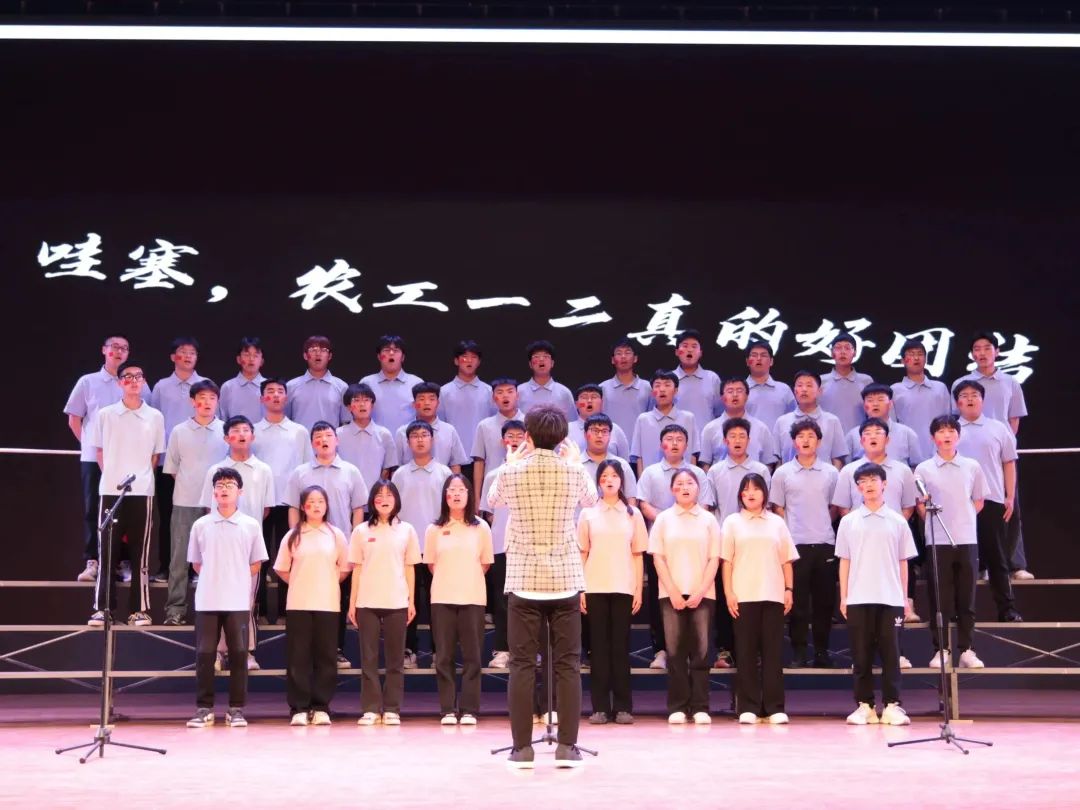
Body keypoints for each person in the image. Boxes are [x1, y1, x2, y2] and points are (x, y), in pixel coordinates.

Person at [488, 405, 597, 769]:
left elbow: (492, 501)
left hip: (524, 579)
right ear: (563, 437)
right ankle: (567, 746)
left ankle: (522, 749)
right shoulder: (573, 470)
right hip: (565, 579)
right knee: (567, 665)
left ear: (529, 435)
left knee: (521, 665)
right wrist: (577, 463)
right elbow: (592, 501)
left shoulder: (512, 470)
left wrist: (510, 460)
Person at [186, 468, 268, 728]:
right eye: (219, 485)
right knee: (205, 654)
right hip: (207, 600)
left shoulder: (250, 525)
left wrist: (236, 577)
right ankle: (204, 708)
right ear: (213, 492)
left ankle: (236, 708)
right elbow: (196, 563)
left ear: (240, 491)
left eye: (230, 485)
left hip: (237, 601)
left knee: (239, 654)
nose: (224, 489)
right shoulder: (201, 525)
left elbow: (256, 562)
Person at [86, 359, 165, 627]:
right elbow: (99, 451)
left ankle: (139, 609)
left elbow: (155, 456)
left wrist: (141, 478)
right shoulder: (106, 414)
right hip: (111, 490)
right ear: (120, 383)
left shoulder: (155, 416)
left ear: (144, 382)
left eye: (138, 377)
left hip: (142, 491)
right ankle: (103, 608)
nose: (133, 381)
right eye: (128, 377)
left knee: (140, 553)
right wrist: (112, 476)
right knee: (107, 551)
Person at [837, 463, 917, 726]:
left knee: (891, 655)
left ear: (884, 484)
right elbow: (845, 561)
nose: (868, 485)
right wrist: (844, 597)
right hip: (858, 598)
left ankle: (892, 705)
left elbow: (903, 562)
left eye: (873, 479)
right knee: (861, 656)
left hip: (890, 598)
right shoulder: (849, 522)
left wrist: (904, 598)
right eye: (862, 481)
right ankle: (865, 706)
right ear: (857, 487)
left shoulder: (898, 521)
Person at [284, 421, 369, 668]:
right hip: (307, 548)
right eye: (318, 437)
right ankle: (308, 652)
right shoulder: (300, 473)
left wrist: (353, 539)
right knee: (306, 602)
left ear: (337, 440)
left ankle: (336, 649)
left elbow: (358, 508)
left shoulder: (350, 471)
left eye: (328, 435)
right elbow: (293, 507)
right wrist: (294, 537)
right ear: (312, 443)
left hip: (339, 547)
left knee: (337, 601)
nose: (324, 440)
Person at [65, 334, 150, 582]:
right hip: (95, 458)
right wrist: (91, 445)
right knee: (94, 508)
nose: (119, 351)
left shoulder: (136, 382)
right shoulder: (88, 382)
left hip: (128, 460)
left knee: (125, 511)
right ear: (104, 350)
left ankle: (122, 562)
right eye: (115, 347)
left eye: (124, 348)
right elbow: (74, 419)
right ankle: (93, 561)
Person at [952, 331, 1032, 580]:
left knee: (1009, 508)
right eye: (977, 349)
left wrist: (1001, 445)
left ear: (996, 351)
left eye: (987, 348)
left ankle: (1015, 564)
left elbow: (1014, 420)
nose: (982, 353)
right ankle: (981, 565)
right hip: (968, 455)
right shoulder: (962, 384)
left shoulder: (1010, 382)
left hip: (998, 452)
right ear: (971, 354)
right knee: (972, 512)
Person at [720, 473, 797, 725]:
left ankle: (774, 707)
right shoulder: (732, 522)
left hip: (773, 595)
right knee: (746, 653)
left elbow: (786, 560)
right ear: (740, 495)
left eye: (756, 489)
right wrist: (729, 593)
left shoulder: (776, 522)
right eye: (745, 489)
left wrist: (788, 589)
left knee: (773, 653)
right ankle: (748, 706)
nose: (750, 493)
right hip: (743, 595)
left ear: (765, 493)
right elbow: (726, 562)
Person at [199, 416, 276, 666]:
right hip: (218, 545)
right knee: (217, 600)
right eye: (235, 430)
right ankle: (218, 652)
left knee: (247, 602)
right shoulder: (215, 471)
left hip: (248, 545)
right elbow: (208, 509)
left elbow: (266, 509)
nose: (241, 434)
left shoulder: (263, 470)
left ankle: (246, 652)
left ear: (253, 436)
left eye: (246, 430)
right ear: (226, 438)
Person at [636, 424, 713, 672]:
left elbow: (705, 505)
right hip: (662, 544)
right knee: (660, 599)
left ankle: (691, 651)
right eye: (669, 439)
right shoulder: (651, 472)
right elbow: (643, 505)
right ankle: (661, 650)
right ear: (662, 445)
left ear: (687, 445)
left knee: (696, 601)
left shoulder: (697, 474)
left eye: (680, 439)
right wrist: (669, 519)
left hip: (695, 546)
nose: (675, 443)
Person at [915, 415, 988, 669]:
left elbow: (978, 501)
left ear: (958, 435)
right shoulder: (923, 469)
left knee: (967, 597)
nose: (946, 435)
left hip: (966, 539)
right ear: (932, 437)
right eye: (941, 431)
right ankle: (941, 649)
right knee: (940, 599)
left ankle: (967, 649)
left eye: (951, 431)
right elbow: (921, 505)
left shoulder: (972, 466)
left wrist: (962, 519)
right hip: (937, 541)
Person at [648, 469, 721, 725]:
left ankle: (700, 706)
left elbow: (714, 558)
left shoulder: (709, 520)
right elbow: (658, 558)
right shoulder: (664, 519)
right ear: (672, 490)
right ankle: (677, 706)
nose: (685, 487)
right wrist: (673, 591)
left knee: (701, 651)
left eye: (690, 483)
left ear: (698, 488)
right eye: (679, 483)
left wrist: (700, 591)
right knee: (675, 652)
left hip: (704, 592)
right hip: (671, 593)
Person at [274, 485, 350, 726]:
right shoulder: (293, 536)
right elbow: (281, 568)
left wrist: (326, 581)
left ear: (327, 506)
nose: (316, 506)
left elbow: (344, 568)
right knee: (298, 656)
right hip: (299, 603)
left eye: (321, 501)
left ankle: (321, 706)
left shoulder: (336, 535)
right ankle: (299, 707)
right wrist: (301, 580)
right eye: (311, 501)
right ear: (303, 506)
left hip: (328, 604)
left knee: (326, 656)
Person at [347, 480, 421, 726]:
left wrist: (411, 601)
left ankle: (391, 708)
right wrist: (352, 603)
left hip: (397, 601)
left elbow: (410, 567)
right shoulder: (361, 531)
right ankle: (370, 708)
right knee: (368, 659)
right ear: (372, 501)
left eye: (389, 495)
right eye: (379, 495)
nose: (385, 499)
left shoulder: (407, 530)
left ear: (397, 500)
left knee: (395, 660)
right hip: (367, 601)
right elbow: (357, 569)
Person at [579, 460, 647, 725]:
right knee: (598, 648)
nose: (609, 480)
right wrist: (581, 590)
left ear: (621, 481)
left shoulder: (633, 514)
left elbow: (638, 554)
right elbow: (582, 553)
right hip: (594, 587)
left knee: (620, 647)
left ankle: (623, 707)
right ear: (598, 482)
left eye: (614, 476)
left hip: (623, 587)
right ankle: (599, 707)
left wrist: (638, 589)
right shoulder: (588, 513)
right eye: (604, 476)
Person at [424, 474, 494, 725]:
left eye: (461, 489)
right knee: (444, 656)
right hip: (442, 598)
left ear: (469, 495)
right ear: (445, 496)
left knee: (472, 657)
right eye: (451, 489)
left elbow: (485, 563)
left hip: (473, 597)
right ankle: (447, 709)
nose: (456, 494)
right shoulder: (434, 529)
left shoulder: (481, 527)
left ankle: (469, 709)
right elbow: (431, 564)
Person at [770, 419, 840, 668]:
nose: (806, 440)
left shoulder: (831, 472)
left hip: (824, 542)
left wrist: (821, 523)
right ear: (794, 442)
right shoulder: (782, 473)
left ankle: (822, 652)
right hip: (795, 545)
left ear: (818, 441)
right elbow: (778, 507)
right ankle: (799, 653)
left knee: (824, 602)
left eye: (811, 436)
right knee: (797, 603)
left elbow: (835, 506)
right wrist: (790, 532)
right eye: (801, 436)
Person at [705, 417, 771, 668]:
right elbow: (710, 508)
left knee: (754, 598)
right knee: (725, 598)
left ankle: (754, 651)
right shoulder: (715, 471)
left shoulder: (761, 470)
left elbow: (768, 507)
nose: (737, 440)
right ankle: (725, 651)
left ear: (749, 440)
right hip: (725, 543)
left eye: (742, 436)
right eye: (732, 436)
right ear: (725, 441)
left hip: (755, 544)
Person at [954, 381, 1023, 622]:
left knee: (997, 557)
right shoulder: (950, 430)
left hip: (992, 499)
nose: (970, 399)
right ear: (957, 403)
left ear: (983, 400)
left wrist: (1010, 496)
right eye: (964, 395)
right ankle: (959, 612)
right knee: (960, 561)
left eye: (974, 395)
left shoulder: (998, 428)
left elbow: (1009, 462)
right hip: (959, 504)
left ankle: (1007, 609)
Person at [163, 380, 226, 627]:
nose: (207, 402)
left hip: (218, 505)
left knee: (216, 560)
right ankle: (175, 610)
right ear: (193, 401)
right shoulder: (179, 431)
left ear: (217, 401)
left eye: (212, 398)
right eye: (202, 397)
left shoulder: (225, 430)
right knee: (179, 560)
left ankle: (214, 611)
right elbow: (172, 469)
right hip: (185, 502)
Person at [392, 421, 454, 667]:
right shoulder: (399, 474)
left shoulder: (444, 473)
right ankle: (409, 649)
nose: (420, 439)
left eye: (424, 435)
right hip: (407, 548)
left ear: (432, 439)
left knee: (438, 601)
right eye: (415, 436)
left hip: (438, 548)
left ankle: (441, 651)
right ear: (408, 442)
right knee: (407, 600)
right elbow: (393, 511)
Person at [252, 378, 313, 621]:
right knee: (260, 557)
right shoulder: (252, 431)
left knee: (291, 556)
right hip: (261, 503)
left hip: (291, 504)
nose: (276, 395)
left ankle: (288, 610)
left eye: (280, 392)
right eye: (270, 392)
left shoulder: (299, 431)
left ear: (286, 398)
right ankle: (258, 610)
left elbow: (307, 468)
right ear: (262, 399)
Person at [150, 337, 207, 582]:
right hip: (167, 463)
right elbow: (152, 420)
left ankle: (197, 569)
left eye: (192, 352)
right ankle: (166, 567)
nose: (188, 356)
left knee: (201, 519)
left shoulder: (206, 386)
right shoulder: (161, 387)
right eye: (183, 352)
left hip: (200, 466)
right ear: (173, 356)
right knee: (168, 517)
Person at [479, 420, 527, 668]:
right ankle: (502, 650)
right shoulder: (493, 475)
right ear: (502, 441)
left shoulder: (533, 472)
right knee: (501, 599)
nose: (515, 440)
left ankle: (529, 650)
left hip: (528, 547)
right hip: (500, 545)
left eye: (520, 435)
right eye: (510, 435)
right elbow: (488, 513)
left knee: (529, 601)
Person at [438, 340, 495, 483]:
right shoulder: (444, 392)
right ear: (456, 361)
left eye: (473, 357)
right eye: (464, 357)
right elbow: (440, 427)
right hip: (453, 460)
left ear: (479, 362)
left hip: (483, 459)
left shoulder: (489, 392)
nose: (469, 360)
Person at [890, 338, 952, 469]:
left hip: (940, 454)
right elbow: (893, 427)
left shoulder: (940, 388)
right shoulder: (895, 390)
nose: (916, 358)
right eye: (911, 354)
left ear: (926, 359)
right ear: (902, 361)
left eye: (920, 354)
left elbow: (949, 422)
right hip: (908, 458)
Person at [699, 377, 778, 472]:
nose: (735, 395)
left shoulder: (761, 428)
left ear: (747, 396)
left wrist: (759, 479)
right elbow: (705, 463)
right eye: (730, 391)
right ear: (722, 398)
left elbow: (768, 462)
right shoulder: (710, 429)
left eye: (739, 391)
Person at [773, 371, 847, 469]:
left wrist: (833, 476)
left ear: (819, 391)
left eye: (809, 385)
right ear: (794, 391)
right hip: (790, 477)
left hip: (824, 477)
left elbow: (837, 458)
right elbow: (778, 460)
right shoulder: (782, 422)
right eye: (800, 385)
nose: (804, 389)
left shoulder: (832, 421)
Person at [630, 370, 699, 476]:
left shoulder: (688, 418)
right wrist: (642, 482)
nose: (662, 389)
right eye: (657, 386)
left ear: (676, 390)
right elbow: (639, 458)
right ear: (652, 392)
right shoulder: (643, 420)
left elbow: (693, 454)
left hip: (683, 481)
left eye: (667, 385)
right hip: (652, 480)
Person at [337, 383, 398, 493]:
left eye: (366, 400)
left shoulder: (384, 434)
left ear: (372, 405)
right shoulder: (338, 435)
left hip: (375, 496)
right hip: (344, 494)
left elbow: (387, 469)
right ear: (349, 407)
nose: (362, 404)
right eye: (356, 400)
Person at [394, 382, 469, 471]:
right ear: (414, 404)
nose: (427, 403)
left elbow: (455, 464)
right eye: (422, 399)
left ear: (438, 403)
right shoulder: (402, 432)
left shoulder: (449, 431)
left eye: (431, 399)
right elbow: (396, 466)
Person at [359, 335, 425, 436]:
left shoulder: (416, 383)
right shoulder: (367, 383)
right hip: (375, 442)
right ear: (379, 357)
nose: (391, 353)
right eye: (386, 350)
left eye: (396, 350)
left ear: (403, 357)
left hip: (408, 442)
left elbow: (424, 417)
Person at [844, 383, 922, 467]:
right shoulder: (853, 435)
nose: (875, 404)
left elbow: (916, 467)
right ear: (864, 406)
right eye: (870, 400)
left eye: (880, 399)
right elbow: (846, 467)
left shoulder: (907, 433)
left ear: (890, 404)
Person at [470, 377, 525, 496]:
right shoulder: (484, 426)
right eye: (500, 392)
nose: (505, 396)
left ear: (517, 395)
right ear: (493, 398)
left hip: (523, 488)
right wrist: (477, 496)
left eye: (510, 391)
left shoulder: (530, 423)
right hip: (492, 489)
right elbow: (479, 462)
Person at [286, 335, 349, 431]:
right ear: (305, 355)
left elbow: (346, 422)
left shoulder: (342, 387)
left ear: (330, 356)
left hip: (330, 440)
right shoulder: (291, 386)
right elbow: (285, 420)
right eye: (313, 350)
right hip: (300, 440)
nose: (318, 353)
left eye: (323, 350)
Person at [671, 329, 722, 443]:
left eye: (694, 346)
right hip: (675, 444)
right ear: (677, 352)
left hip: (706, 442)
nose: (689, 350)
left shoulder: (712, 378)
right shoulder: (668, 380)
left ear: (700, 353)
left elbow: (720, 413)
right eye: (685, 346)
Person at [819, 333, 875, 435]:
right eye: (838, 348)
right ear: (832, 353)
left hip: (860, 438)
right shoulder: (821, 382)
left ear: (855, 353)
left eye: (847, 348)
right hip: (828, 438)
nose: (843, 352)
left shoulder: (866, 381)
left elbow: (874, 413)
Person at [579, 414, 637, 507]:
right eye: (595, 431)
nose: (600, 435)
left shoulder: (622, 465)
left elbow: (631, 498)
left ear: (610, 436)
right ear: (585, 435)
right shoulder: (576, 465)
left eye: (604, 431)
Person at [599, 338, 651, 442]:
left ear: (635, 358)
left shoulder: (648, 387)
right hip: (609, 446)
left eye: (627, 353)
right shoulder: (602, 388)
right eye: (619, 353)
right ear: (613, 360)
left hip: (640, 445)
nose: (623, 356)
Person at [516, 340, 576, 423]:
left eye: (546, 356)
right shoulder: (519, 392)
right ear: (530, 364)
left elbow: (572, 423)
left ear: (552, 363)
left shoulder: (564, 392)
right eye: (536, 356)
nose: (541, 359)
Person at [565, 384, 630, 460]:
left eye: (594, 397)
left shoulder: (614, 429)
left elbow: (624, 461)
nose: (589, 401)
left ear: (602, 402)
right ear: (576, 404)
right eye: (584, 397)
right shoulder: (566, 430)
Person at [744, 340, 795, 429]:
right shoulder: (739, 391)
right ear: (747, 361)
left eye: (763, 355)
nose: (759, 358)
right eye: (754, 355)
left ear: (771, 361)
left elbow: (794, 419)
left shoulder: (784, 390)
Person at [219, 337, 266, 423]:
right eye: (247, 355)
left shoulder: (269, 387)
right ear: (239, 359)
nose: (251, 359)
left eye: (256, 355)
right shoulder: (228, 387)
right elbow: (222, 420)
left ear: (262, 361)